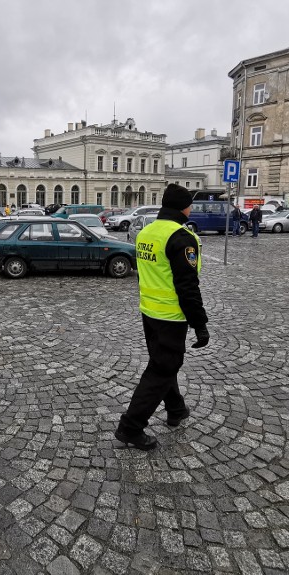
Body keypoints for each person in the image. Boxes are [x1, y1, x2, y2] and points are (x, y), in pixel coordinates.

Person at [115, 184, 209, 451]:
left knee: (163, 363)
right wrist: (200, 324)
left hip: (149, 311)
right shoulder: (181, 237)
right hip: (171, 315)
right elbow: (188, 285)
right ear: (184, 207)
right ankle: (130, 427)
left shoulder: (146, 233)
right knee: (162, 369)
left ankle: (176, 409)